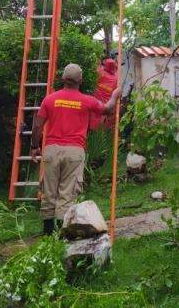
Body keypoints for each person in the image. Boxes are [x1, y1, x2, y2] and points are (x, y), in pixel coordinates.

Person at [30, 63, 120, 235]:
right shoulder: (87, 100)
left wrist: (35, 146)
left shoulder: (49, 99)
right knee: (67, 192)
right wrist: (115, 95)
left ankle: (48, 233)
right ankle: (61, 234)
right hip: (74, 152)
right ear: (80, 80)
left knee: (49, 191)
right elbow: (108, 109)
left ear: (63, 79)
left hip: (51, 150)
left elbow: (37, 126)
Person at [91, 58, 119, 130]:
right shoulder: (116, 79)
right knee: (101, 127)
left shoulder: (100, 72)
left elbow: (95, 68)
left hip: (95, 101)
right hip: (106, 105)